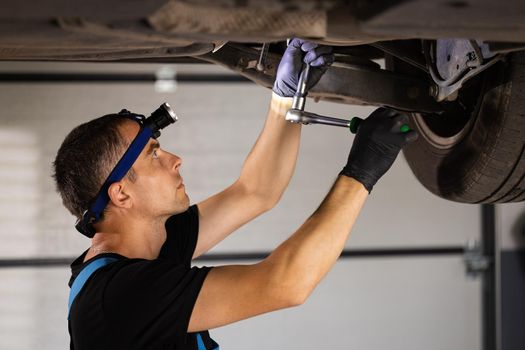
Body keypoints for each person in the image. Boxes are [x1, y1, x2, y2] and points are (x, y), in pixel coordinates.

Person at [52, 38, 417, 350]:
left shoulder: (146, 244)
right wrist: (362, 172)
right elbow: (285, 284)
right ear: (121, 195)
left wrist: (285, 98)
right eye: (154, 156)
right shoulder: (120, 298)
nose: (176, 160)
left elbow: (256, 192)